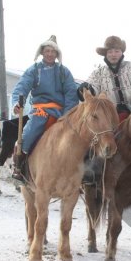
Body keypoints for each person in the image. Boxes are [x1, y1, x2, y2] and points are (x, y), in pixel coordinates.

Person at [11, 35, 79, 183]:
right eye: (47, 51)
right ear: (42, 52)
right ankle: (19, 168)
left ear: (57, 54)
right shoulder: (34, 70)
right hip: (40, 111)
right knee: (28, 135)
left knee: (76, 138)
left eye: (53, 51)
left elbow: (71, 93)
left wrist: (67, 115)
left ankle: (78, 173)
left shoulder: (63, 72)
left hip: (61, 113)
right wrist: (16, 102)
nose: (50, 54)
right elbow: (22, 87)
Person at [77, 35, 131, 121]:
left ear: (122, 52)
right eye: (110, 52)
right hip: (108, 118)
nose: (113, 54)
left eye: (117, 51)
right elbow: (92, 86)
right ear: (106, 54)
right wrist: (86, 88)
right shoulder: (98, 73)